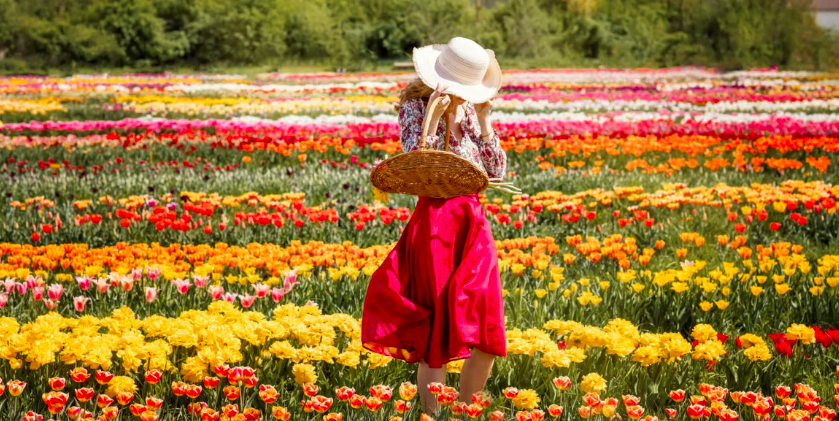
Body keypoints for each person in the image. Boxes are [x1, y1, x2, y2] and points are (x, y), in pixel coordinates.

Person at [361, 37, 507, 414]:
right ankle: (432, 415)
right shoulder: (414, 105)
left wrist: (486, 118)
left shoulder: (473, 112)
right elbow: (415, 162)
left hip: (472, 224)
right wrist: (433, 118)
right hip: (435, 226)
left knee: (487, 329)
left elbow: (495, 170)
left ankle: (464, 410)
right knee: (436, 331)